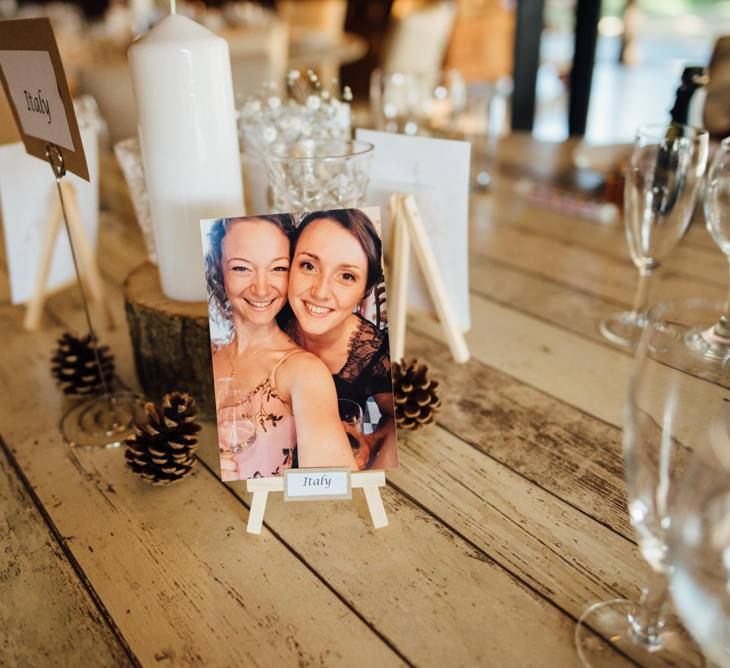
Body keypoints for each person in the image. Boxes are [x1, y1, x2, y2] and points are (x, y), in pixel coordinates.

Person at [205, 215, 356, 481]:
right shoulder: (212, 353)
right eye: (242, 268)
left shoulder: (303, 372)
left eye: (278, 268)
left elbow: (335, 486)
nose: (261, 289)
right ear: (219, 270)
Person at [284, 209, 397, 469]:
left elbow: (401, 418)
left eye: (347, 276)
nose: (321, 292)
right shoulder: (269, 319)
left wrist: (373, 439)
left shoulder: (373, 351)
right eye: (308, 266)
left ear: (364, 291)